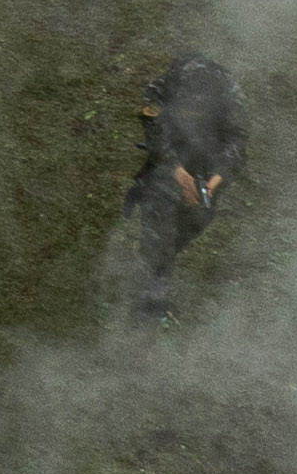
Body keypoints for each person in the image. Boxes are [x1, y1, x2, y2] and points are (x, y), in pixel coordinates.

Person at [107, 52, 250, 325]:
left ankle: (150, 290)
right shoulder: (175, 80)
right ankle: (144, 319)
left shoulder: (227, 92)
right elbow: (151, 115)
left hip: (205, 175)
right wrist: (174, 168)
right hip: (165, 172)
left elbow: (238, 140)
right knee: (158, 240)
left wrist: (213, 181)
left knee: (180, 233)